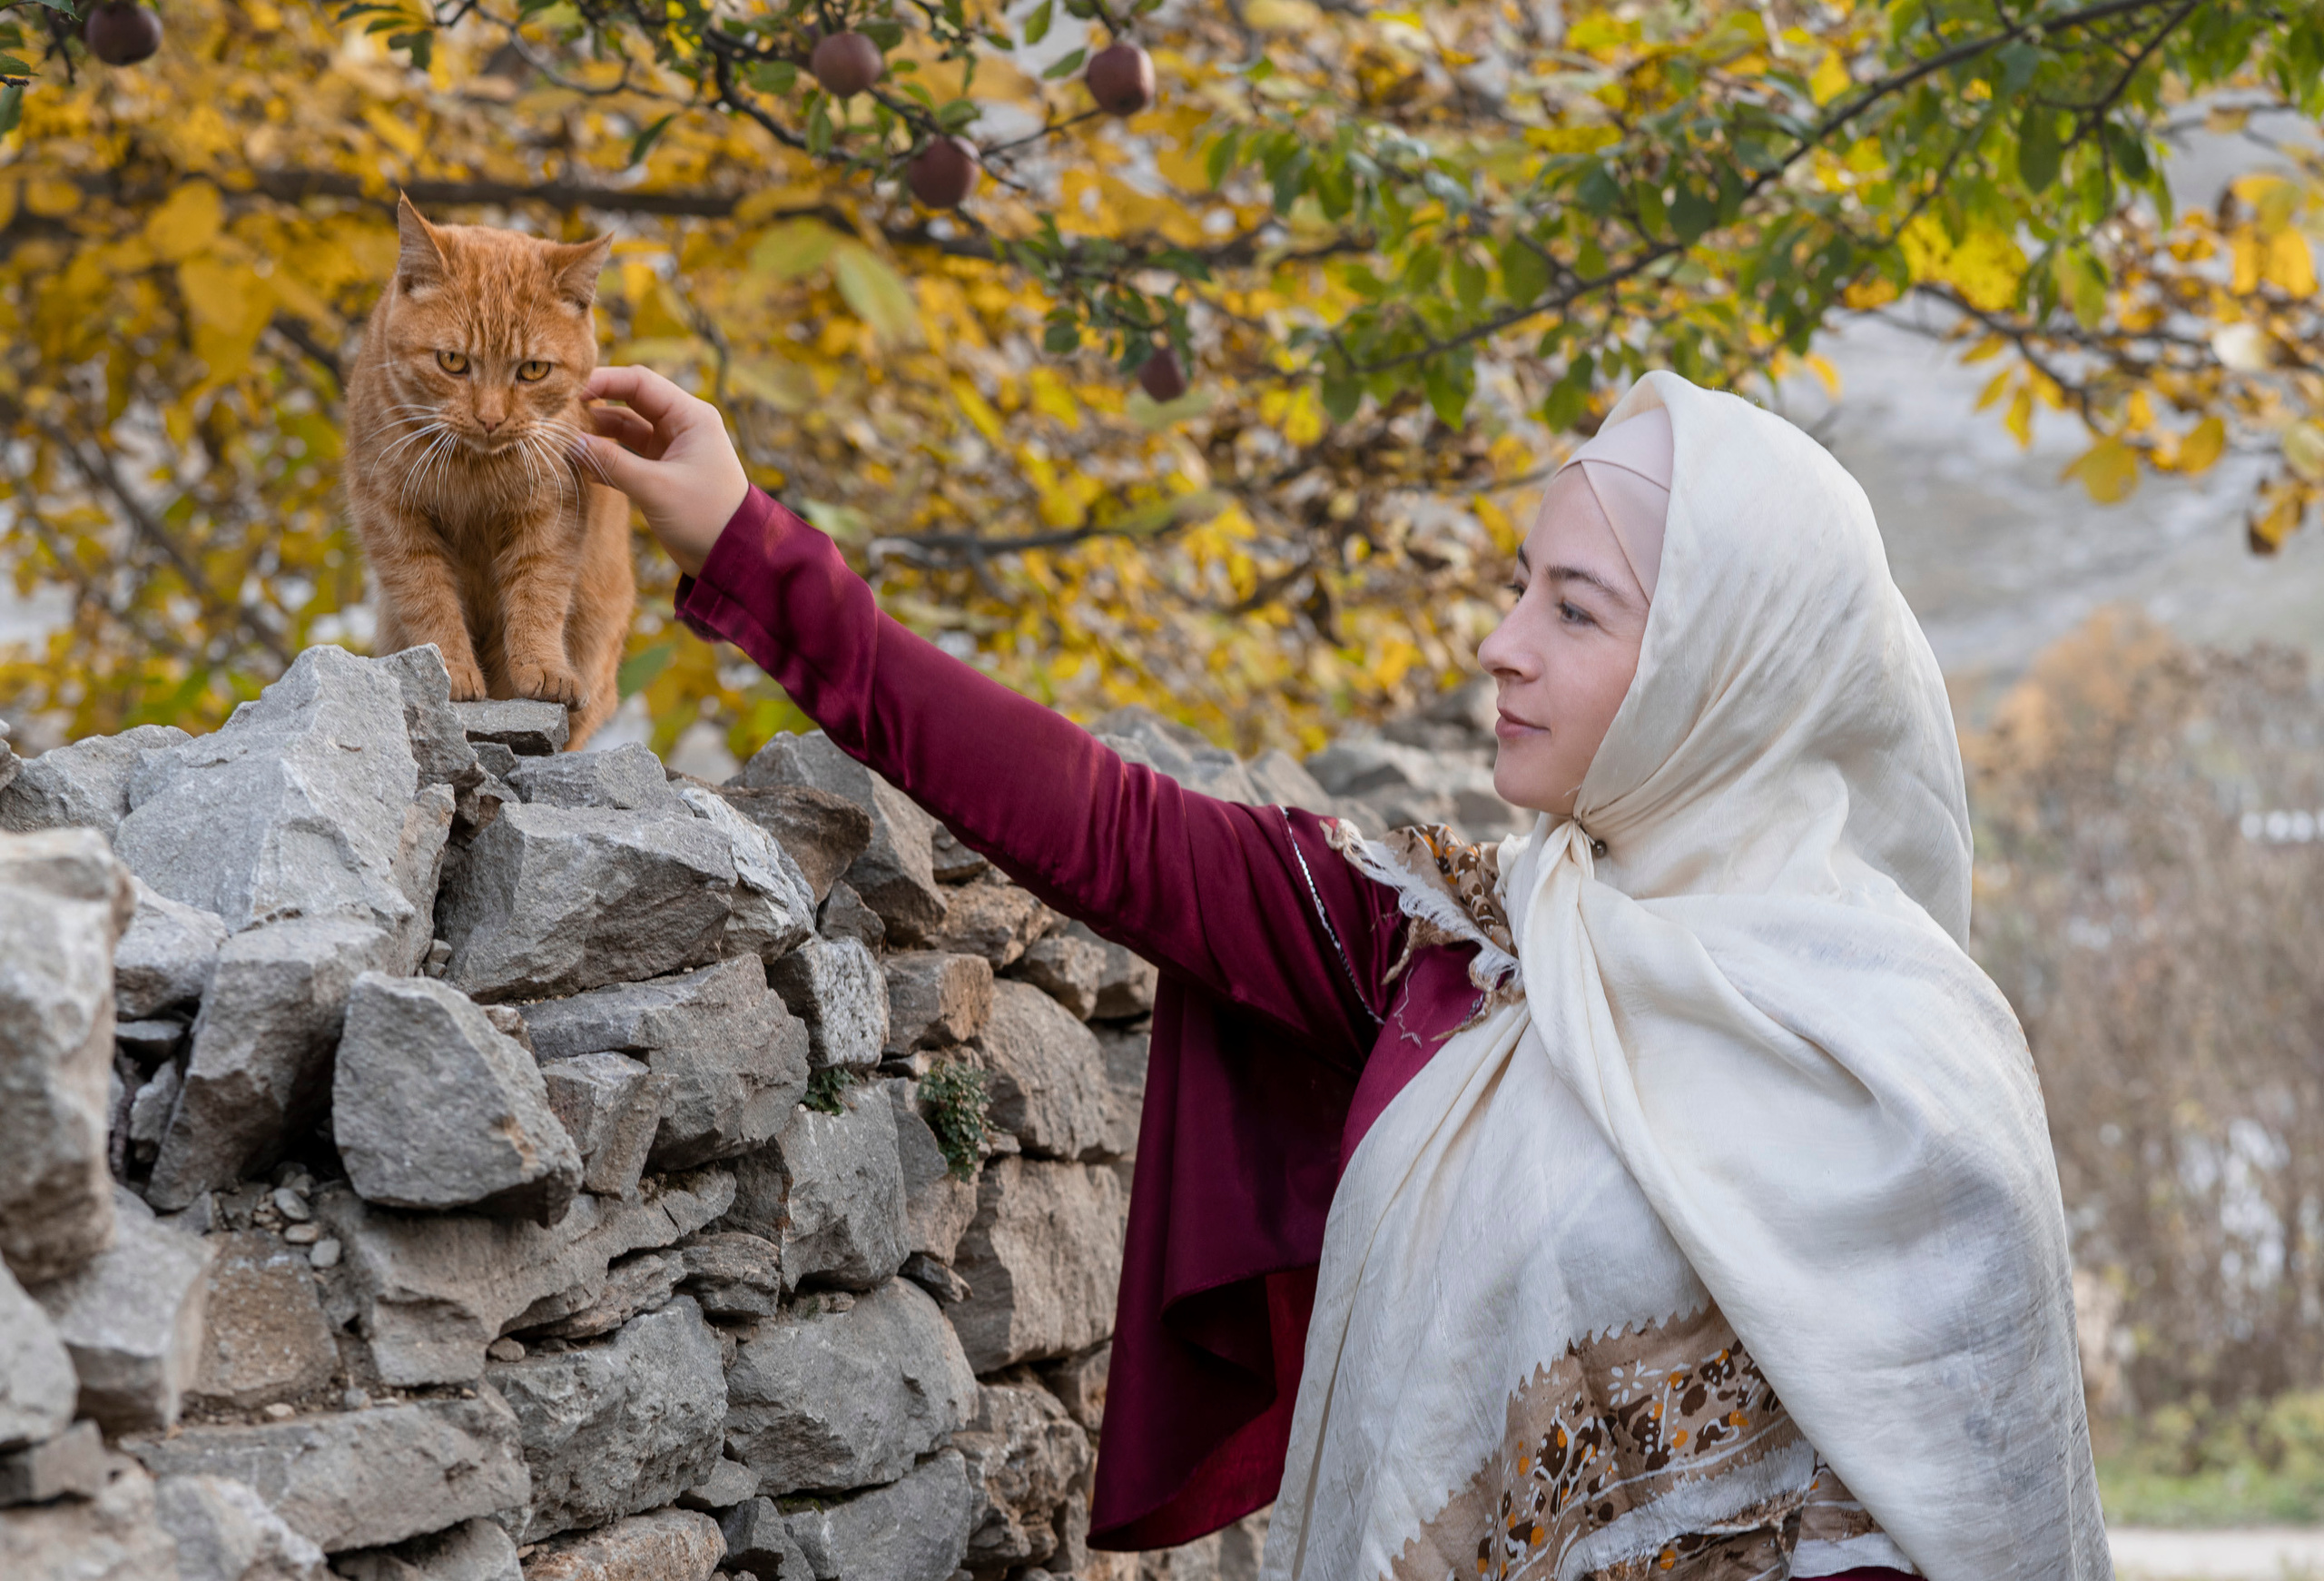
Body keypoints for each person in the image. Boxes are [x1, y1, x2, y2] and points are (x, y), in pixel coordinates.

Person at [580, 364, 2110, 1581]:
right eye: (1523, 585)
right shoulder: (1455, 951)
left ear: (1733, 676)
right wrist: (746, 543)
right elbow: (1109, 826)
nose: (1503, 644)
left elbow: (1982, 1509)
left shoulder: (1912, 1068)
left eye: (1575, 610)